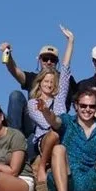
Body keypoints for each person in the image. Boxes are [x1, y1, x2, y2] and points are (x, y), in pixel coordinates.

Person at [0, 27, 78, 138]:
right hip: (36, 125)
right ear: (39, 60)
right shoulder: (32, 79)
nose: (49, 62)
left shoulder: (63, 84)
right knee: (15, 95)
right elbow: (14, 70)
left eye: (53, 60)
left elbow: (66, 68)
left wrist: (70, 41)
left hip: (58, 125)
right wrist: (8, 55)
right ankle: (15, 139)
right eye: (45, 59)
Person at [27, 25, 75, 182]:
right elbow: (47, 124)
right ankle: (41, 166)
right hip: (46, 140)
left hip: (65, 139)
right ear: (40, 83)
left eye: (51, 82)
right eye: (46, 81)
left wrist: (70, 41)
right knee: (54, 133)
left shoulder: (59, 98)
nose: (48, 84)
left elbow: (65, 69)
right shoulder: (33, 103)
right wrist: (49, 114)